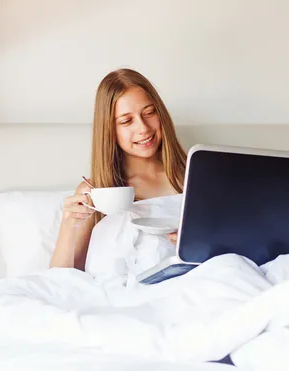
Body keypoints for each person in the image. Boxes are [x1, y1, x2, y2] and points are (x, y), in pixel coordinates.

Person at [49, 68, 187, 270]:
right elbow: (63, 279)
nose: (143, 128)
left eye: (149, 113)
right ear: (109, 131)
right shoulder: (96, 191)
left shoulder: (192, 176)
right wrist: (69, 225)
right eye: (126, 121)